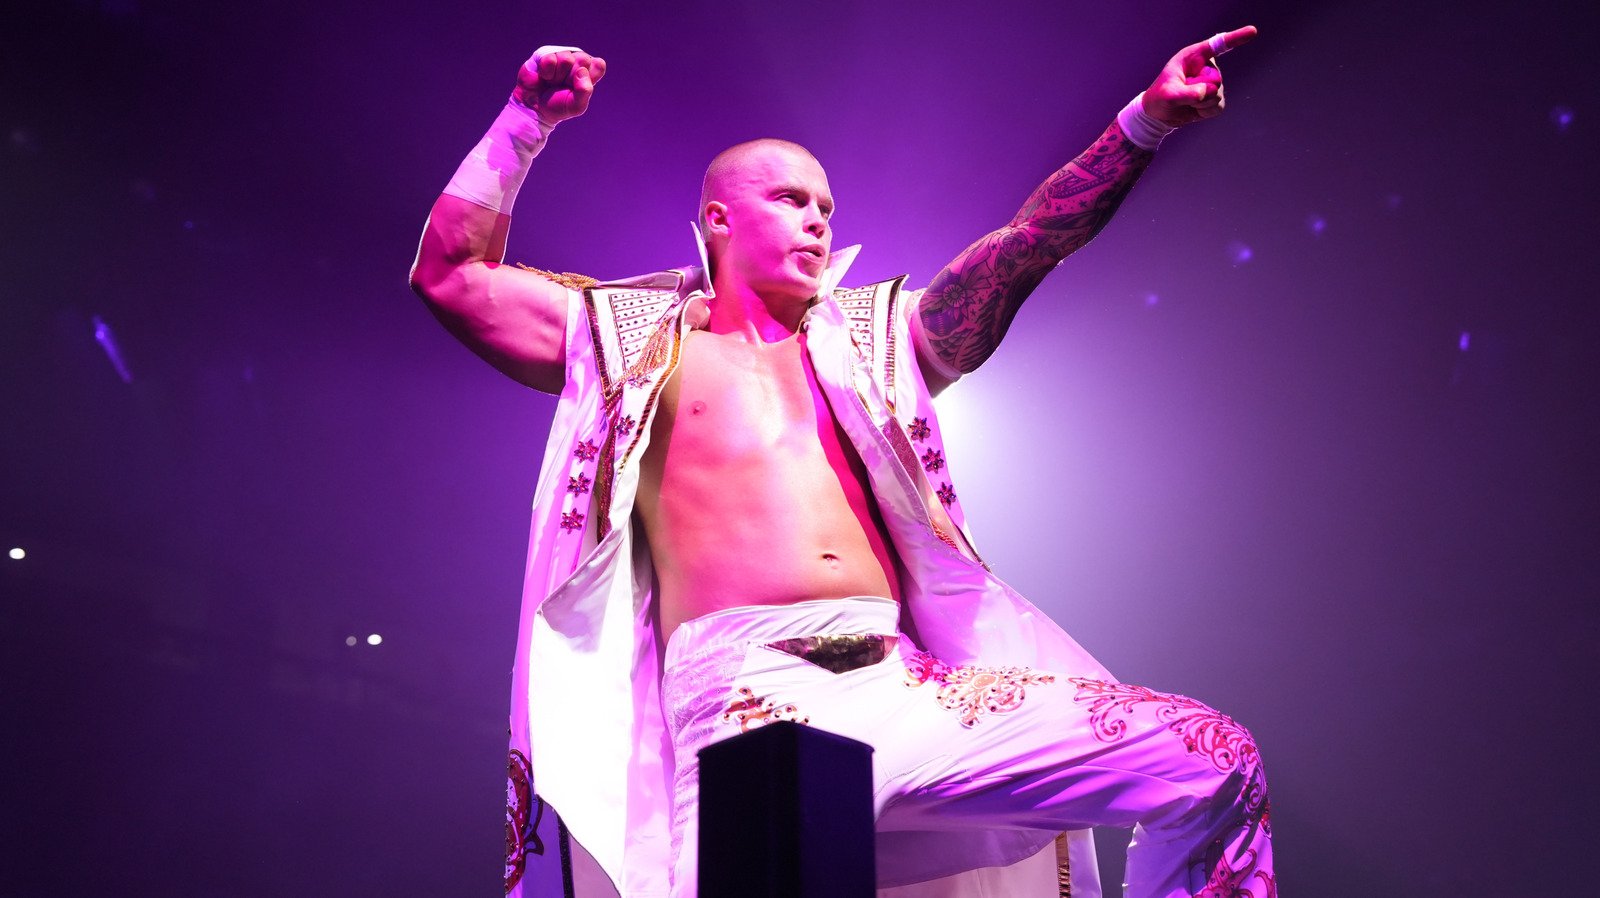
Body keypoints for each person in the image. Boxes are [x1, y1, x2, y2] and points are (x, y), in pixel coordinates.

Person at [411, 27, 1271, 898]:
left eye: (827, 206)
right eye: (791, 199)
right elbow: (450, 276)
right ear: (719, 219)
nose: (819, 219)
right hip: (745, 695)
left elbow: (1025, 245)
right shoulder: (629, 343)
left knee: (1213, 762)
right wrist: (525, 122)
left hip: (907, 686)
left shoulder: (876, 344)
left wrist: (1143, 124)